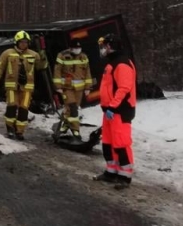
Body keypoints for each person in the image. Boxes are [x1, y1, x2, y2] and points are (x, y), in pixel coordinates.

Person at [94, 33, 137, 189]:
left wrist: (113, 106)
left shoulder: (122, 64)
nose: (102, 49)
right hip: (110, 111)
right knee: (108, 142)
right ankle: (111, 172)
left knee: (121, 143)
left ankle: (125, 176)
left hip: (120, 111)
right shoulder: (112, 63)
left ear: (110, 46)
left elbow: (124, 88)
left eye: (104, 46)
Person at [0, 31, 48, 140]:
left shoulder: (33, 54)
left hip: (27, 87)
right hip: (12, 86)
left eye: (26, 42)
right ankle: (10, 129)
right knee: (12, 106)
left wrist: (43, 58)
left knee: (24, 108)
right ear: (16, 42)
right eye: (21, 42)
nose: (24, 44)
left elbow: (41, 67)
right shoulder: (7, 53)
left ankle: (20, 131)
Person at [53, 39, 93, 142]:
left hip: (79, 88)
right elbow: (57, 72)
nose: (77, 50)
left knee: (70, 108)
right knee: (73, 107)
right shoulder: (62, 56)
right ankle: (76, 130)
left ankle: (66, 124)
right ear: (70, 48)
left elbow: (87, 73)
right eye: (75, 48)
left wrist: (88, 87)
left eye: (79, 48)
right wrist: (58, 86)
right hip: (67, 88)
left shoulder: (83, 57)